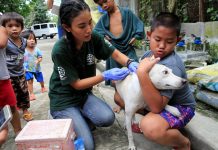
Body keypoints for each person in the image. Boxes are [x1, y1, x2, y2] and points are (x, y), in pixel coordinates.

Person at [49, 1, 138, 150]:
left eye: (89, 22)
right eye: (82, 26)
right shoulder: (60, 50)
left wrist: (130, 63)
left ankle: (79, 118)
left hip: (83, 96)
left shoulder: (92, 37)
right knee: (88, 146)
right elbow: (76, 84)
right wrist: (106, 75)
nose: (89, 29)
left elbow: (114, 53)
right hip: (64, 100)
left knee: (108, 118)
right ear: (66, 27)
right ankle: (62, 115)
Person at [137, 12, 196, 150]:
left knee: (150, 128)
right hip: (162, 103)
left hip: (181, 108)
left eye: (169, 42)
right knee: (120, 98)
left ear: (178, 40)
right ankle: (163, 124)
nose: (162, 46)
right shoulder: (148, 55)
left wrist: (141, 73)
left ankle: (183, 143)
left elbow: (157, 107)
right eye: (157, 39)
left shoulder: (171, 66)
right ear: (149, 35)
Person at [93, 0, 145, 113]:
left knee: (136, 74)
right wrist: (104, 37)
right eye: (101, 5)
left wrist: (136, 36)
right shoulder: (103, 19)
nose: (104, 5)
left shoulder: (127, 13)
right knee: (116, 79)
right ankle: (120, 102)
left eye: (105, 1)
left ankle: (137, 100)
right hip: (113, 51)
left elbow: (139, 25)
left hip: (128, 48)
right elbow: (96, 32)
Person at [0, 12, 33, 121]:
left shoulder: (23, 41)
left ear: (22, 28)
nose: (14, 29)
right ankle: (12, 115)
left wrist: (32, 42)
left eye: (17, 26)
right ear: (4, 28)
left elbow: (31, 44)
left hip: (20, 72)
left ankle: (25, 110)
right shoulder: (5, 41)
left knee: (24, 92)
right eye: (10, 26)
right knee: (12, 96)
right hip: (8, 75)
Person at [0, 26, 21, 146]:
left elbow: (2, 43)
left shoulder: (1, 29)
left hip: (2, 79)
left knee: (11, 106)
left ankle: (18, 130)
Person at [21, 29, 47, 101]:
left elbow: (40, 57)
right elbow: (20, 59)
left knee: (40, 79)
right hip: (27, 69)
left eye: (33, 39)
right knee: (29, 81)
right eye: (29, 39)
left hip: (37, 69)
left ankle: (42, 86)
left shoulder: (37, 49)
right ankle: (31, 94)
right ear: (23, 41)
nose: (32, 40)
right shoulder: (23, 50)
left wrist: (38, 60)